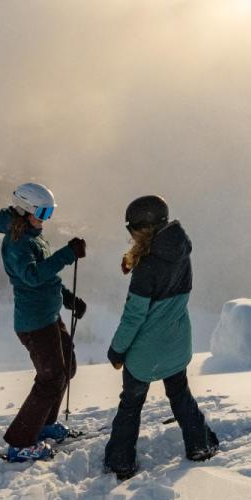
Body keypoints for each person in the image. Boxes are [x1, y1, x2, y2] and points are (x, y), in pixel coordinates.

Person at [104, 194, 217, 479]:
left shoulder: (147, 268)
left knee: (131, 403)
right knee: (180, 395)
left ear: (144, 229)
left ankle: (121, 461)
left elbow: (133, 318)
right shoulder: (181, 251)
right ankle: (199, 444)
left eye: (132, 231)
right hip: (176, 344)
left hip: (145, 353)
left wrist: (117, 350)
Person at [0, 181, 87, 462]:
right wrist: (67, 255)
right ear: (26, 210)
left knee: (66, 367)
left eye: (50, 213)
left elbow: (46, 278)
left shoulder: (32, 235)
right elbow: (32, 276)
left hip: (49, 314)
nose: (47, 219)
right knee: (51, 378)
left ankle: (44, 424)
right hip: (34, 323)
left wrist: (67, 298)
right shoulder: (17, 242)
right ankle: (21, 442)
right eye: (44, 213)